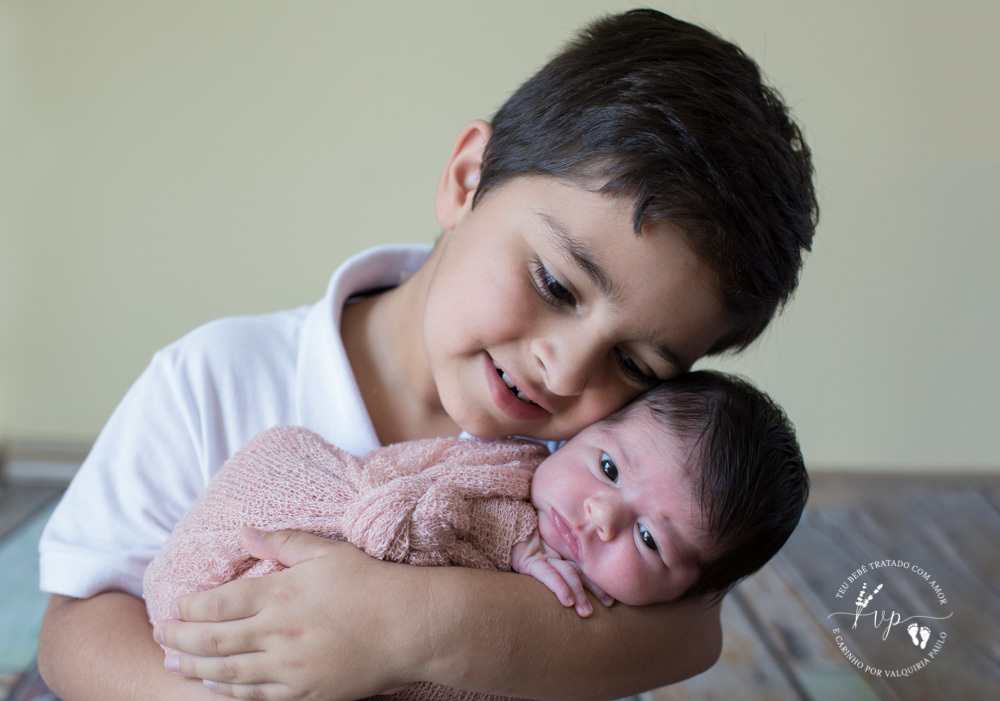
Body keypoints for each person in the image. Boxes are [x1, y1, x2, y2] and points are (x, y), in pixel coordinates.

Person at [37, 8, 817, 701]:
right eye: (555, 283)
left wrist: (401, 623)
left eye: (638, 364)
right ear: (467, 179)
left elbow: (688, 634)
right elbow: (74, 625)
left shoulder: (600, 471)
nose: (567, 371)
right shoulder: (217, 377)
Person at [143, 370, 808, 701]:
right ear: (576, 435)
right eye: (607, 467)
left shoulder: (609, 626)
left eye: (652, 541)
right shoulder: (506, 462)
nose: (602, 517)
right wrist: (514, 540)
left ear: (690, 588)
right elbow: (438, 498)